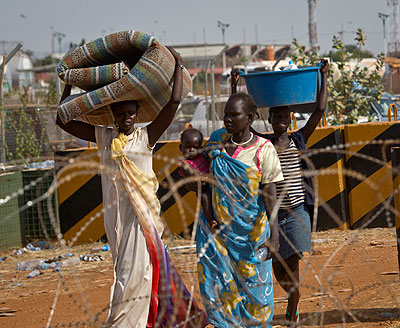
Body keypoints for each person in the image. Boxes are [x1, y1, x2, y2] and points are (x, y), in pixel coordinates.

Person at [56, 47, 207, 328]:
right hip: (117, 219)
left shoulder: (146, 137)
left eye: (131, 111)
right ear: (112, 113)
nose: (126, 116)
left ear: (137, 113)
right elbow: (61, 120)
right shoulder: (103, 137)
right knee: (129, 270)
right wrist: (69, 86)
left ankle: (126, 323)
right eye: (121, 111)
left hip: (142, 219)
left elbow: (173, 104)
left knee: (134, 272)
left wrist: (178, 65)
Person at [232, 59, 329, 326]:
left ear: (291, 119)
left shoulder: (299, 139)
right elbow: (242, 122)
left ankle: (294, 304)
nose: (282, 121)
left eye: (286, 117)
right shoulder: (263, 143)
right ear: (271, 120)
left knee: (293, 264)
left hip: (296, 212)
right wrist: (236, 85)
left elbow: (320, 109)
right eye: (277, 117)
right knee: (278, 268)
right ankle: (291, 298)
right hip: (272, 216)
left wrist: (323, 76)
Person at [196, 92, 284, 328]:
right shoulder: (216, 141)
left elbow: (270, 193)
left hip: (251, 236)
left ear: (250, 118)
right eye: (225, 115)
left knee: (256, 293)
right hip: (219, 234)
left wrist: (274, 235)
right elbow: (199, 169)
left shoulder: (264, 150)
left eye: (234, 115)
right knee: (221, 289)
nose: (228, 120)